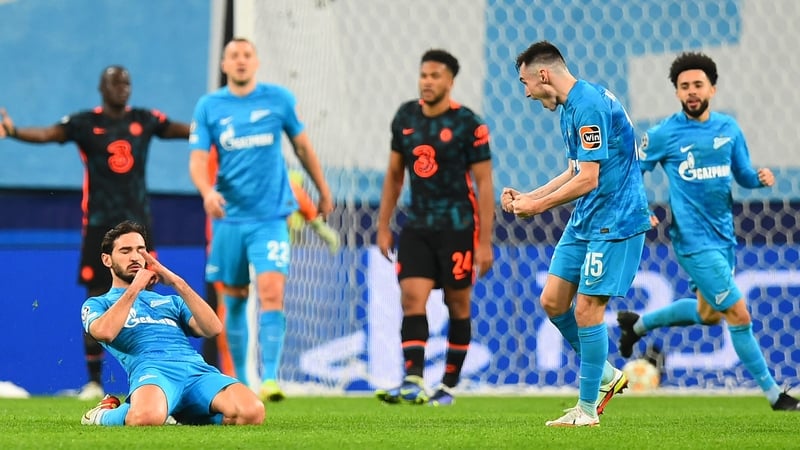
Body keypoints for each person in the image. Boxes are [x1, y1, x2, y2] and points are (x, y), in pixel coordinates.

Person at [616, 52, 800, 411]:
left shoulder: (728, 129)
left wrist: (758, 179)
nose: (691, 92)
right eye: (684, 87)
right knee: (739, 315)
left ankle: (637, 325)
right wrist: (638, 210)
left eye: (697, 85)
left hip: (723, 238)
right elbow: (633, 173)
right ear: (677, 93)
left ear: (712, 89)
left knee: (709, 314)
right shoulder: (664, 134)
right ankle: (775, 395)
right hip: (692, 241)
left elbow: (742, 174)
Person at [0, 66, 190, 400]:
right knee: (98, 297)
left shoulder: (145, 120)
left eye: (128, 82)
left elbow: (180, 130)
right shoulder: (86, 123)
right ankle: (94, 383)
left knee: (149, 298)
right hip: (100, 226)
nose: (123, 87)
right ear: (101, 87)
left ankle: (155, 377)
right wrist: (13, 130)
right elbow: (47, 135)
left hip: (138, 228)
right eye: (116, 82)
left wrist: (216, 126)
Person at [502, 41, 651, 427]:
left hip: (614, 222)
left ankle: (587, 410)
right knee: (553, 301)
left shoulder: (588, 106)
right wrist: (528, 195)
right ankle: (605, 374)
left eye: (525, 83)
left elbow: (589, 177)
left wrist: (537, 208)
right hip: (586, 220)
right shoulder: (571, 108)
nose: (526, 93)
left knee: (587, 311)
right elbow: (573, 170)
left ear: (543, 75)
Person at [188, 37, 333, 402]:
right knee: (234, 301)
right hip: (229, 220)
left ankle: (270, 378)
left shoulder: (279, 99)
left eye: (247, 55)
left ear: (256, 62)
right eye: (234, 55)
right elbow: (196, 160)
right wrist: (207, 191)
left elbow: (303, 147)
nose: (240, 61)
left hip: (270, 217)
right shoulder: (209, 106)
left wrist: (322, 190)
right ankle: (241, 380)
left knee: (271, 293)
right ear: (224, 64)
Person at [374, 49, 495, 407]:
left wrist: (484, 242)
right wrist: (384, 225)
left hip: (458, 227)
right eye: (423, 75)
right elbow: (395, 175)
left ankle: (448, 386)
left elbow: (484, 184)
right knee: (412, 298)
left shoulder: (469, 124)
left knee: (458, 304)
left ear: (450, 81)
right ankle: (412, 379)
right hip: (418, 226)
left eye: (435, 76)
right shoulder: (406, 117)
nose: (427, 81)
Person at [80, 221, 264, 426]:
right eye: (125, 251)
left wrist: (178, 283)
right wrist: (135, 288)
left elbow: (213, 328)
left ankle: (179, 414)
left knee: (252, 412)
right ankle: (101, 415)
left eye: (140, 250)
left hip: (196, 370)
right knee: (145, 418)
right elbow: (104, 332)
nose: (135, 257)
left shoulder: (170, 301)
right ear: (107, 260)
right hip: (153, 372)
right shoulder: (99, 303)